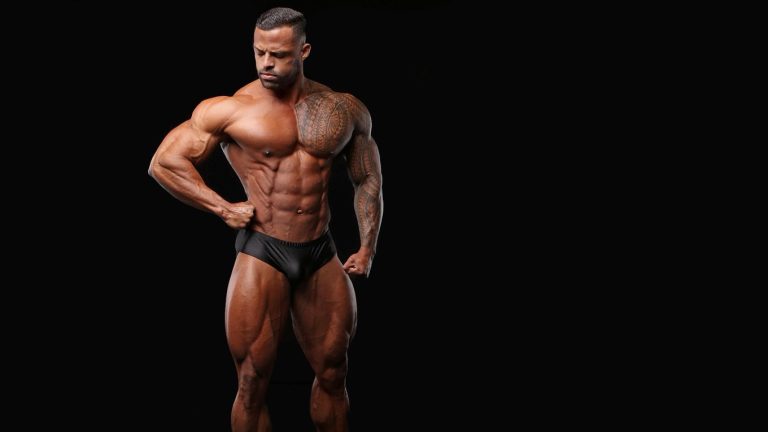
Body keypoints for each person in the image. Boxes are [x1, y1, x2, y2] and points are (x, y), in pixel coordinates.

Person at [148, 7, 382, 431]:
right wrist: (222, 207)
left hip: (319, 250)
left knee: (335, 372)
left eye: (278, 55)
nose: (266, 64)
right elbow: (164, 162)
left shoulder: (342, 108)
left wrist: (367, 247)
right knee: (252, 380)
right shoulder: (231, 110)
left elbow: (367, 178)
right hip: (263, 249)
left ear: (304, 51)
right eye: (259, 53)